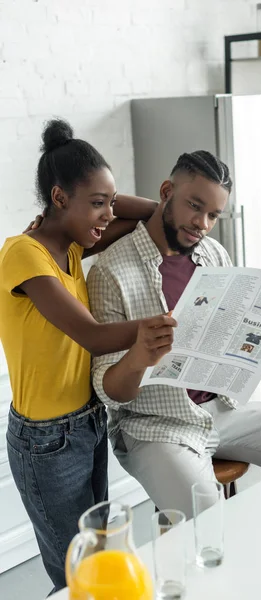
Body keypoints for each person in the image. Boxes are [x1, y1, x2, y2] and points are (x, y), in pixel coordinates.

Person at [88, 150, 261, 518]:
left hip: (227, 410)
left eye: (213, 215)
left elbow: (236, 341)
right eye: (195, 206)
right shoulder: (110, 271)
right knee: (207, 519)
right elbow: (110, 393)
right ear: (167, 191)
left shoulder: (213, 255)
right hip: (158, 426)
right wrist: (140, 357)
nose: (202, 223)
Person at [0, 119, 175, 593]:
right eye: (97, 204)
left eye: (108, 203)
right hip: (46, 443)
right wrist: (172, 325)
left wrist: (105, 199)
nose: (106, 215)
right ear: (59, 198)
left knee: (97, 555)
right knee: (75, 575)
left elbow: (151, 213)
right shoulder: (23, 253)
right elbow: (94, 336)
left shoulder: (75, 247)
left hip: (87, 422)